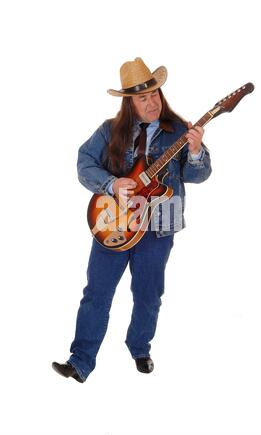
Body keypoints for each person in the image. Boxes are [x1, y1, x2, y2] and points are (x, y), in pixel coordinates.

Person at [52, 57, 212, 383]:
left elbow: (199, 175)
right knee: (97, 292)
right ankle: (80, 362)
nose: (152, 102)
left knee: (148, 293)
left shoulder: (180, 132)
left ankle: (139, 348)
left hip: (159, 224)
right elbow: (84, 163)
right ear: (129, 102)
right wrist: (112, 184)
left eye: (155, 94)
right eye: (143, 98)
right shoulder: (110, 130)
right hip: (114, 222)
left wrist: (195, 152)